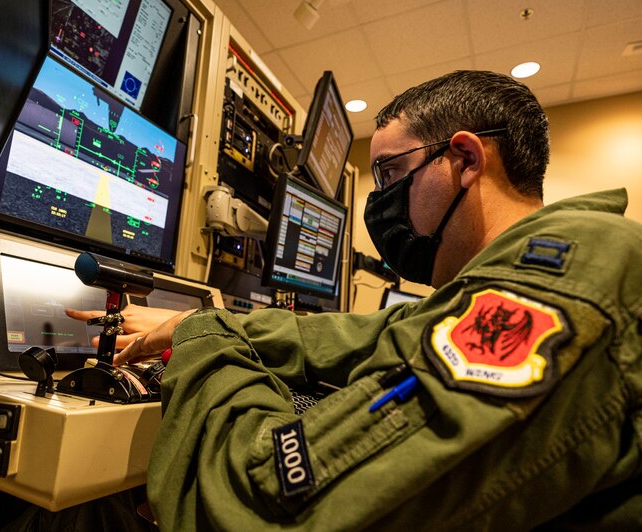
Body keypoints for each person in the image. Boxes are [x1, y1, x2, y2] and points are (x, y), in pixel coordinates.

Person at [73, 70, 642, 530]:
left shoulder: (567, 283)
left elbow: (260, 502)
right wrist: (210, 323)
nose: (380, 200)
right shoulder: (532, 269)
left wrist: (203, 342)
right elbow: (370, 336)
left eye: (391, 173)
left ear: (467, 160)